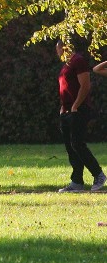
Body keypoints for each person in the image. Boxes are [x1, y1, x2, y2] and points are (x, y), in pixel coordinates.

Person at [56, 40, 106, 192]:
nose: (57, 54)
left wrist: (76, 105)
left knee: (77, 144)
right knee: (71, 146)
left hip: (78, 110)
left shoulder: (78, 61)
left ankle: (98, 174)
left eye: (58, 50)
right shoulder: (67, 65)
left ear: (64, 48)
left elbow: (85, 85)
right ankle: (76, 181)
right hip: (67, 110)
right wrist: (64, 108)